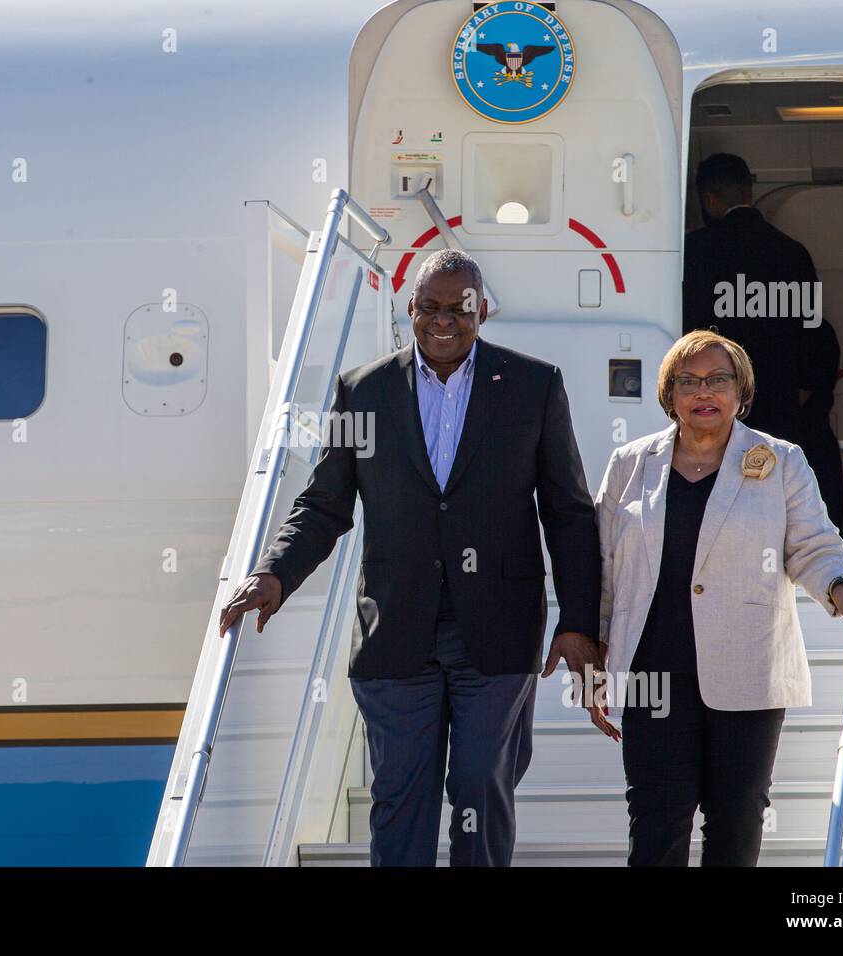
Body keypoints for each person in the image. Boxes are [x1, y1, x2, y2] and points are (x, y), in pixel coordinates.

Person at [217, 248, 602, 867]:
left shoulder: (534, 385)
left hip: (499, 634)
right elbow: (323, 505)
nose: (443, 321)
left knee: (481, 787)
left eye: (460, 308)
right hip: (396, 632)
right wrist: (275, 573)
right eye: (431, 307)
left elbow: (569, 513)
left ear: (483, 311)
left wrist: (579, 623)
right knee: (400, 800)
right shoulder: (362, 391)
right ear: (410, 308)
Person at [590, 329, 843, 866]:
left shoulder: (780, 461)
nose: (705, 392)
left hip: (749, 671)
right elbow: (602, 571)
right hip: (653, 674)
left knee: (738, 819)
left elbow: (814, 544)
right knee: (656, 820)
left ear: (741, 392)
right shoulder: (630, 464)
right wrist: (595, 664)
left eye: (718, 380)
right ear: (669, 393)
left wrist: (842, 590)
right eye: (689, 381)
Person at [683, 152, 843, 529]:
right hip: (785, 409)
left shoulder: (695, 254)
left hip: (719, 409)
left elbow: (689, 338)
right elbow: (812, 333)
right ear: (750, 190)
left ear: (708, 199)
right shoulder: (792, 253)